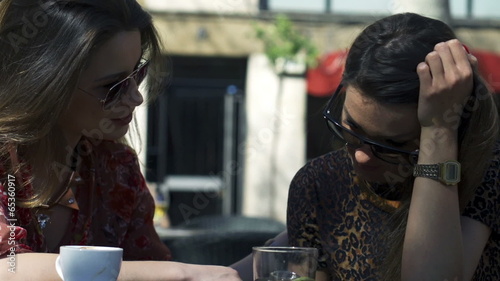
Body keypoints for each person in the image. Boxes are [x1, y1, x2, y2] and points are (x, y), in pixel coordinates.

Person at [0, 1, 241, 280]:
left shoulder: (116, 169)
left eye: (137, 73)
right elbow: (8, 269)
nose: (136, 97)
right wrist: (181, 273)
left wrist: (277, 250)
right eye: (112, 86)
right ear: (43, 83)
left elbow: (149, 267)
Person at [287, 13, 499, 281]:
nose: (362, 156)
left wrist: (439, 129)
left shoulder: (486, 173)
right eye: (352, 128)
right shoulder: (318, 182)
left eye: (393, 144)